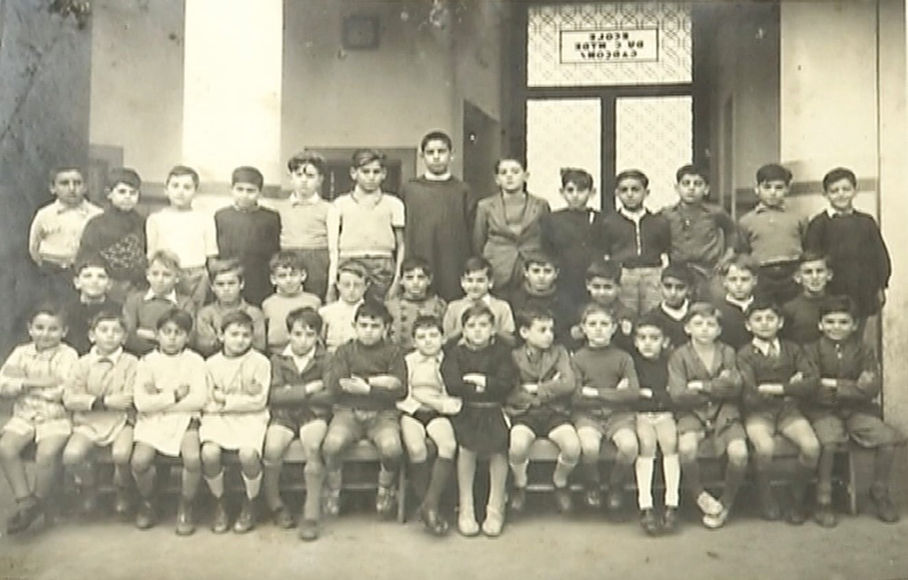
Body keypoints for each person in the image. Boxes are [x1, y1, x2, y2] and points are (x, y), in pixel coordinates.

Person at [803, 296, 903, 526]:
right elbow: (813, 387)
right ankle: (823, 499)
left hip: (857, 411)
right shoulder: (811, 350)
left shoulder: (864, 350)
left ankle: (879, 491)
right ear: (820, 324)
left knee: (888, 439)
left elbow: (870, 387)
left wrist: (836, 385)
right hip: (823, 411)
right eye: (830, 322)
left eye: (843, 322)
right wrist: (851, 386)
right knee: (828, 442)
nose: (836, 327)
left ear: (854, 325)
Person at [738, 298, 820, 524]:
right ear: (748, 325)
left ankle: (796, 497)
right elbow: (751, 392)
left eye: (770, 319)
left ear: (780, 322)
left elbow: (812, 382)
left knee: (812, 447)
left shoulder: (793, 349)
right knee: (764, 447)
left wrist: (778, 388)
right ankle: (766, 497)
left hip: (788, 411)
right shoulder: (744, 354)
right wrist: (792, 385)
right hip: (758, 413)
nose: (764, 324)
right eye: (758, 319)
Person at [321, 302, 406, 519]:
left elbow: (400, 391)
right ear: (354, 325)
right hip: (347, 412)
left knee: (392, 448)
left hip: (383, 415)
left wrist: (366, 387)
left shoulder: (394, 352)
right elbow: (336, 386)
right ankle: (333, 489)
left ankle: (386, 488)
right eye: (363, 325)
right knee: (332, 445)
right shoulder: (344, 351)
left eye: (375, 326)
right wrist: (381, 382)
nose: (368, 331)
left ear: (385, 328)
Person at [668, 303, 748, 529]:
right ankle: (699, 494)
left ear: (719, 330)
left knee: (739, 453)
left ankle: (726, 502)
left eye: (710, 324)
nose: (704, 329)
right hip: (692, 413)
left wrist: (700, 386)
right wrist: (717, 386)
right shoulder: (679, 356)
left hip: (725, 412)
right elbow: (678, 395)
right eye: (698, 324)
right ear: (687, 328)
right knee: (686, 448)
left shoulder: (727, 352)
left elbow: (735, 387)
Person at [0, 305, 77, 534]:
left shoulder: (68, 355)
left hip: (56, 416)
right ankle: (26, 502)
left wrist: (23, 382)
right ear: (30, 329)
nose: (45, 334)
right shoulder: (20, 352)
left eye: (53, 329)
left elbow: (63, 390)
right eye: (40, 327)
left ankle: (39, 499)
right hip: (24, 414)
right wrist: (37, 383)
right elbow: (4, 384)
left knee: (46, 453)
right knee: (5, 447)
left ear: (64, 331)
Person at [441, 303, 516, 537]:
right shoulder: (456, 354)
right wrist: (482, 385)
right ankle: (467, 507)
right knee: (466, 448)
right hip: (467, 410)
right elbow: (453, 384)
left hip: (494, 409)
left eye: (483, 325)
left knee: (499, 448)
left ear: (493, 329)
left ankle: (495, 508)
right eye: (471, 326)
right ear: (463, 331)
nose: (477, 331)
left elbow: (505, 384)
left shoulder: (501, 354)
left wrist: (479, 380)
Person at [130, 308, 207, 534]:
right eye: (167, 332)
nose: (172, 338)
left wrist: (160, 398)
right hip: (153, 420)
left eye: (179, 332)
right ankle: (149, 501)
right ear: (157, 334)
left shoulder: (195, 361)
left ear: (187, 336)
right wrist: (173, 395)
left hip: (186, 419)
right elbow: (142, 403)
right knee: (139, 461)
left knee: (193, 458)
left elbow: (198, 400)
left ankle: (186, 504)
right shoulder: (146, 362)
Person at [263, 307, 332, 540]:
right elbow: (274, 395)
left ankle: (311, 514)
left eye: (310, 335)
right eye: (298, 334)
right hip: (283, 414)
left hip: (314, 413)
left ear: (318, 337)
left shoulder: (326, 358)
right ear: (289, 334)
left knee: (313, 447)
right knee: (272, 448)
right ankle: (274, 503)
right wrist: (309, 388)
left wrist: (291, 392)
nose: (303, 341)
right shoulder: (278, 359)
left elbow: (330, 394)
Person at [200, 311, 271, 534]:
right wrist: (226, 402)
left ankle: (251, 501)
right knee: (209, 453)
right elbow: (209, 399)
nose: (240, 340)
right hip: (218, 418)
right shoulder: (211, 364)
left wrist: (226, 400)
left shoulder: (260, 362)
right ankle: (219, 501)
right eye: (234, 334)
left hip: (251, 418)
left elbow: (258, 401)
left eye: (245, 335)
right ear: (221, 336)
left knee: (248, 454)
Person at [805, 167, 891, 349]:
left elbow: (879, 255)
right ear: (825, 194)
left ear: (855, 191)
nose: (841, 195)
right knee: (832, 335)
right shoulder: (818, 224)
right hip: (832, 291)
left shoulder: (866, 222)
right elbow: (811, 257)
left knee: (859, 337)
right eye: (834, 191)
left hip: (862, 289)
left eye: (845, 189)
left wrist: (881, 286)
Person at [62, 309, 137, 517]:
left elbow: (128, 398)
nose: (110, 335)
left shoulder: (131, 363)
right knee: (71, 455)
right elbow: (70, 398)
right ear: (92, 335)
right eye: (103, 330)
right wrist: (100, 402)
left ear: (124, 336)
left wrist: (116, 403)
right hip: (88, 422)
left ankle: (122, 489)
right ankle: (89, 487)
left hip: (121, 421)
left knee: (121, 455)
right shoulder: (82, 363)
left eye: (116, 331)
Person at [506, 308, 579, 516]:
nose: (549, 335)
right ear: (525, 332)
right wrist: (549, 386)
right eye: (542, 330)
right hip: (524, 412)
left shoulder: (560, 352)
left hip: (555, 411)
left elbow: (568, 384)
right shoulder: (514, 356)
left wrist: (537, 389)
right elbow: (511, 392)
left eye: (551, 330)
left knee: (572, 446)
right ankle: (520, 484)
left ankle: (560, 482)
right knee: (517, 445)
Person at [571, 303, 640, 513]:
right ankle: (591, 483)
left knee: (629, 447)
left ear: (614, 328)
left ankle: (615, 484)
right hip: (588, 416)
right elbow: (576, 397)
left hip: (619, 416)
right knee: (589, 447)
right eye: (592, 324)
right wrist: (614, 393)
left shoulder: (623, 357)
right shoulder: (577, 358)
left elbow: (632, 393)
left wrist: (596, 393)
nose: (599, 329)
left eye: (604, 324)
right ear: (583, 329)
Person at [397, 315, 460, 536]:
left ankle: (430, 505)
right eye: (421, 337)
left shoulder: (450, 361)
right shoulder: (407, 361)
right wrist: (426, 400)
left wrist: (434, 402)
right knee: (416, 448)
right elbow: (404, 393)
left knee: (448, 445)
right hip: (411, 411)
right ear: (414, 342)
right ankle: (428, 504)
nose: (428, 341)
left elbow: (451, 397)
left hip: (438, 412)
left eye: (433, 335)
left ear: (443, 338)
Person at [401, 131, 474, 302]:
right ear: (422, 156)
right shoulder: (410, 189)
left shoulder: (463, 190)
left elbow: (471, 231)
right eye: (430, 152)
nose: (436, 157)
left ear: (451, 155)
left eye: (441, 152)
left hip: (453, 262)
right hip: (419, 260)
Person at [327, 149, 405, 302]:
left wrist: (397, 280)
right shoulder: (339, 204)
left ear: (384, 174)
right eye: (365, 171)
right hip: (349, 263)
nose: (371, 177)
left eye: (376, 172)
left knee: (382, 314)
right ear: (353, 173)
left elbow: (401, 245)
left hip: (382, 266)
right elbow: (333, 249)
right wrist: (331, 284)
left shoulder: (394, 204)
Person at [594, 169, 671, 317]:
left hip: (652, 275)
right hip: (624, 274)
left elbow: (665, 251)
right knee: (626, 316)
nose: (629, 194)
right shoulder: (609, 222)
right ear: (617, 193)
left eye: (635, 189)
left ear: (646, 192)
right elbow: (604, 252)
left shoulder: (659, 221)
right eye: (624, 190)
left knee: (652, 315)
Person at [630, 314, 679, 535]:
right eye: (642, 337)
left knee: (670, 444)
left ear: (665, 341)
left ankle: (671, 504)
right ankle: (645, 505)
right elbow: (631, 393)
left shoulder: (671, 362)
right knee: (646, 446)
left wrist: (651, 394)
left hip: (665, 414)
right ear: (635, 341)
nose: (648, 343)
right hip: (641, 415)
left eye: (654, 337)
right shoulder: (631, 362)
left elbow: (674, 394)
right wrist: (655, 395)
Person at [472, 158, 550, 296]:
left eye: (515, 171)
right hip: (498, 270)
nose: (509, 176)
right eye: (503, 172)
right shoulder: (485, 206)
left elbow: (547, 239)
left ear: (525, 176)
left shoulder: (540, 205)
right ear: (497, 179)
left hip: (530, 271)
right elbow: (478, 242)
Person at [145, 165, 218, 308]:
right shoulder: (156, 219)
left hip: (197, 276)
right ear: (166, 190)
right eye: (175, 186)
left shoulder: (205, 218)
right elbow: (151, 255)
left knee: (194, 313)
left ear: (195, 192)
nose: (180, 191)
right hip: (167, 275)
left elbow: (211, 256)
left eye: (187, 187)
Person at [662, 165, 737, 302]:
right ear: (677, 188)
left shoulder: (715, 213)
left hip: (708, 271)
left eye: (697, 184)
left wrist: (728, 256)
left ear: (706, 189)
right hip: (679, 272)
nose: (691, 188)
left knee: (716, 301)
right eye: (686, 184)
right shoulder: (667, 214)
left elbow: (732, 231)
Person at [28, 166, 102, 301]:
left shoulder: (97, 215)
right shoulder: (44, 214)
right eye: (64, 183)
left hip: (85, 277)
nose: (72, 188)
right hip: (52, 274)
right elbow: (34, 247)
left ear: (86, 187)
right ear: (52, 188)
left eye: (77, 183)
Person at [270, 150, 335, 301]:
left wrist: (331, 283)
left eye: (310, 176)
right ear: (291, 178)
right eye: (299, 175)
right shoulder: (279, 208)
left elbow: (333, 250)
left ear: (320, 180)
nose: (304, 180)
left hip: (317, 263)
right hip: (287, 262)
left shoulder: (329, 209)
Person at [737, 163, 806, 305]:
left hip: (792, 273)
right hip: (762, 274)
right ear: (757, 189)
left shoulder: (798, 218)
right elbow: (743, 250)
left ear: (787, 189)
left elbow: (806, 244)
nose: (773, 192)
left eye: (779, 187)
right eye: (767, 187)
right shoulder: (747, 220)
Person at [76, 167, 146, 303]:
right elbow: (87, 255)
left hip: (136, 286)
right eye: (122, 191)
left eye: (133, 193)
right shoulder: (96, 224)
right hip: (106, 287)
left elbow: (146, 253)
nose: (127, 196)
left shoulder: (142, 223)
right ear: (109, 193)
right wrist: (106, 282)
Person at [215, 166, 281, 306]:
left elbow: (275, 251)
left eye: (250, 191)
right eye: (240, 189)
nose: (244, 195)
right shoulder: (221, 216)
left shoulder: (270, 218)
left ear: (260, 193)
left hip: (259, 279)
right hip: (229, 279)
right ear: (231, 190)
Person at [540, 168, 600, 305]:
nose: (575, 195)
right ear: (562, 192)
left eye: (581, 190)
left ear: (592, 193)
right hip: (563, 280)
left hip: (591, 279)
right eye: (570, 190)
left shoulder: (600, 219)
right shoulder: (552, 220)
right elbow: (546, 250)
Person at [123, 250, 195, 356]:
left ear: (177, 277)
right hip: (140, 355)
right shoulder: (135, 300)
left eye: (166, 275)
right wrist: (165, 340)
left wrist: (152, 335)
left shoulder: (185, 303)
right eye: (155, 274)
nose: (160, 279)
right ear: (147, 275)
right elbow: (128, 336)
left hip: (176, 356)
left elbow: (189, 337)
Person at [194, 259, 266, 356]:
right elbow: (205, 347)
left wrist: (222, 340)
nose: (226, 289)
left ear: (241, 284)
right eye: (220, 284)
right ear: (212, 287)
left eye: (231, 283)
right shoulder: (206, 314)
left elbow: (259, 345)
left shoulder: (253, 313)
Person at [442, 256, 515, 343]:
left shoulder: (502, 307)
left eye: (480, 280)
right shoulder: (454, 307)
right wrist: (463, 329)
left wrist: (492, 329)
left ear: (490, 282)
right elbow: (445, 340)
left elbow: (511, 340)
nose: (474, 285)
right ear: (462, 282)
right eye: (470, 280)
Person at [568, 259, 635, 352]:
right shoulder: (582, 311)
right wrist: (575, 336)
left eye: (608, 287)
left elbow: (632, 347)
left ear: (619, 287)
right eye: (596, 287)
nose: (602, 293)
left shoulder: (626, 314)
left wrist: (626, 335)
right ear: (588, 285)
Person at [507, 251, 574, 343]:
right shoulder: (515, 299)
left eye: (547, 271)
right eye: (536, 271)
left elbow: (565, 332)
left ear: (556, 273)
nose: (541, 276)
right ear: (526, 272)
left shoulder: (563, 300)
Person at [263, 251, 322, 354]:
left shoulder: (313, 301)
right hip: (277, 355)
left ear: (303, 275)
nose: (288, 280)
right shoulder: (268, 304)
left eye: (293, 275)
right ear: (273, 279)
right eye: (282, 276)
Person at [385, 257, 447, 351]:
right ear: (401, 280)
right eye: (409, 278)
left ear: (429, 280)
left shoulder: (438, 305)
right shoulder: (390, 306)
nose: (415, 282)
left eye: (421, 277)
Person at [63, 258, 121, 355]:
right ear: (77, 282)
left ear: (109, 284)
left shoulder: (119, 310)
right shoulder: (66, 310)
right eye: (87, 276)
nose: (94, 281)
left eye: (101, 277)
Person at [781, 252, 833, 345]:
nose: (815, 277)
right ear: (797, 277)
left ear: (829, 275)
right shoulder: (789, 309)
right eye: (808, 272)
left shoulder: (839, 305)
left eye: (819, 271)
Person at [319, 260, 369, 353]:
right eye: (346, 285)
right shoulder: (326, 312)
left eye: (357, 285)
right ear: (338, 285)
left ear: (366, 285)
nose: (351, 290)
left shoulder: (373, 312)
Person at [643, 262, 694, 350]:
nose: (673, 293)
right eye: (668, 286)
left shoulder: (695, 314)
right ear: (660, 286)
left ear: (690, 289)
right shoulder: (652, 317)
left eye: (680, 287)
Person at [715, 255, 759, 350]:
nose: (739, 285)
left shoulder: (763, 306)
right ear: (724, 281)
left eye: (744, 279)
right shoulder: (717, 310)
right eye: (733, 279)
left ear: (755, 280)